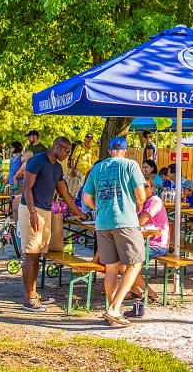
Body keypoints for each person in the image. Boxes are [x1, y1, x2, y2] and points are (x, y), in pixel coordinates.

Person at [81, 137, 147, 327]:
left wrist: (100, 208)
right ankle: (115, 308)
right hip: (125, 220)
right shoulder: (131, 165)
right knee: (135, 264)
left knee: (110, 268)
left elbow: (86, 198)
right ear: (126, 151)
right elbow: (141, 195)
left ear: (109, 151)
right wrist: (137, 205)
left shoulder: (98, 167)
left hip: (103, 223)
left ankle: (112, 313)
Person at [19, 136, 86, 312]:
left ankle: (33, 293)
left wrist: (80, 213)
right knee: (31, 254)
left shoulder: (57, 167)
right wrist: (32, 212)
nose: (67, 154)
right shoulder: (37, 160)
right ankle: (29, 298)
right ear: (56, 147)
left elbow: (64, 193)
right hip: (32, 210)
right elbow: (26, 187)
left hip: (46, 211)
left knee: (38, 254)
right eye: (66, 150)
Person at [129, 167, 170, 302]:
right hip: (144, 241)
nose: (142, 189)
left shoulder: (155, 201)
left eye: (146, 186)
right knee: (120, 259)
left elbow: (141, 222)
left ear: (152, 188)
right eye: (140, 186)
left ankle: (150, 293)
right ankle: (135, 290)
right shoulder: (142, 201)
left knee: (127, 264)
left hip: (157, 243)